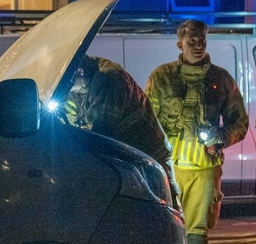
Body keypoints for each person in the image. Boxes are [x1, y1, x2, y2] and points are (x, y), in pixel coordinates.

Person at [146, 20, 249, 244]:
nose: (198, 44)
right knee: (166, 241)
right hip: (169, 170)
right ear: (180, 43)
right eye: (191, 39)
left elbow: (239, 123)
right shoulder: (161, 79)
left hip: (204, 173)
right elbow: (145, 119)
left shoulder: (221, 80)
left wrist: (221, 138)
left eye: (202, 39)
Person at [65, 56, 178, 204]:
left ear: (78, 70)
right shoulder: (74, 84)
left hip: (149, 161)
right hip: (127, 162)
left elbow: (101, 134)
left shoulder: (110, 76)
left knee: (163, 216)